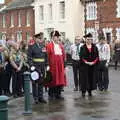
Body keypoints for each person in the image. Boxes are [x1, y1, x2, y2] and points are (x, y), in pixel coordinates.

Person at [46, 30, 66, 99]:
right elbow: (47, 56)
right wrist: (47, 65)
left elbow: (63, 56)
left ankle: (58, 93)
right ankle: (51, 94)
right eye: (56, 36)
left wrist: (64, 66)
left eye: (58, 36)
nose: (57, 38)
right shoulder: (49, 46)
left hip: (60, 66)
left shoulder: (61, 46)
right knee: (52, 80)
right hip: (53, 66)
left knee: (60, 80)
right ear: (52, 37)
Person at [27, 32, 47, 104]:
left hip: (42, 66)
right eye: (39, 38)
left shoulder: (43, 46)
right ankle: (35, 98)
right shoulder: (31, 46)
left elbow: (45, 56)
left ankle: (40, 97)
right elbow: (29, 57)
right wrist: (31, 65)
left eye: (41, 38)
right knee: (35, 82)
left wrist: (47, 65)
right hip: (35, 67)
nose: (40, 40)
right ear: (35, 38)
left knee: (41, 82)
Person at [79, 33, 99, 97]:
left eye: (90, 39)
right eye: (88, 39)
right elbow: (81, 57)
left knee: (91, 79)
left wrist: (93, 62)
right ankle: (83, 92)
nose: (89, 40)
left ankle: (90, 91)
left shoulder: (95, 47)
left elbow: (97, 57)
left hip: (92, 66)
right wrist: (86, 62)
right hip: (85, 66)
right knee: (84, 79)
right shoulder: (82, 47)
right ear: (86, 40)